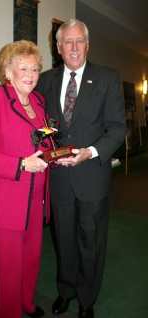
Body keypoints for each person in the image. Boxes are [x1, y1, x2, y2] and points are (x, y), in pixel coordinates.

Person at [35, 18, 127, 318]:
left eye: (79, 41)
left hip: (92, 176)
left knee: (91, 241)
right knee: (64, 240)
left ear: (87, 45)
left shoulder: (107, 78)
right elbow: (40, 127)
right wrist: (47, 152)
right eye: (68, 42)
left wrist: (91, 151)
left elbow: (116, 128)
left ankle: (87, 298)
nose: (74, 47)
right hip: (60, 178)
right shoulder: (45, 81)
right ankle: (66, 291)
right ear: (58, 47)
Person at [0, 40, 51, 318]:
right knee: (8, 268)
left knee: (30, 260)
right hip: (4, 201)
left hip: (34, 199)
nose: (30, 74)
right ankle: (7, 313)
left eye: (35, 68)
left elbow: (43, 143)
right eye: (23, 68)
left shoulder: (39, 102)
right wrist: (21, 164)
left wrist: (56, 155)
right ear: (8, 71)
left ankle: (25, 303)